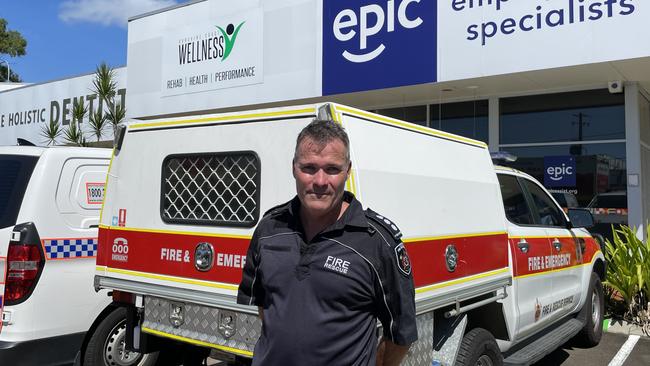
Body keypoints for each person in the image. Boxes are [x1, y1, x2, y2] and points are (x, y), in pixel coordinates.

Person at [237, 119, 417, 365]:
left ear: (348, 170)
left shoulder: (378, 242)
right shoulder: (269, 229)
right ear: (293, 168)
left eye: (332, 169)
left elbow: (400, 333)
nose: (320, 181)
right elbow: (265, 308)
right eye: (309, 168)